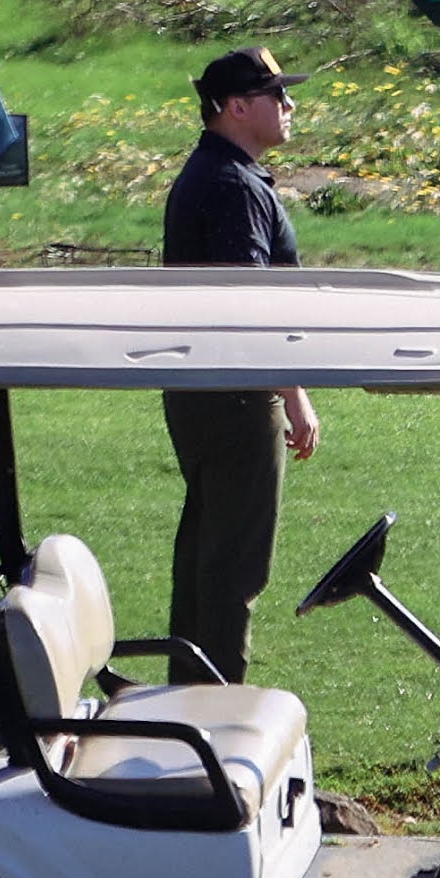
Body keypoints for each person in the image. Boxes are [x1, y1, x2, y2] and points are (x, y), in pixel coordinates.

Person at [158, 47, 320, 685]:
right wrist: (294, 392)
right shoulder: (229, 184)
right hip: (235, 393)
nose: (289, 105)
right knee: (234, 568)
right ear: (235, 107)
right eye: (275, 94)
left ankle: (188, 697)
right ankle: (217, 713)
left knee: (205, 556)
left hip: (204, 389)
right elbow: (249, 304)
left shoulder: (223, 174)